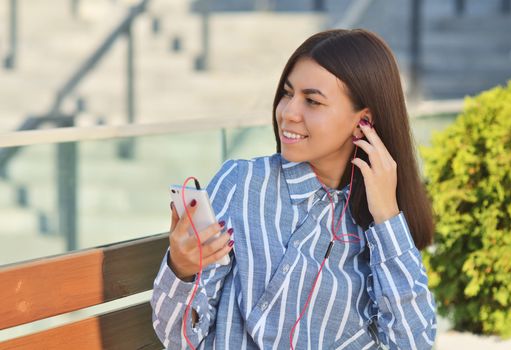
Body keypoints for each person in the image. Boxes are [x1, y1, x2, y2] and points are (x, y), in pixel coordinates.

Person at [151, 28, 437, 349]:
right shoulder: (241, 183)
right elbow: (179, 338)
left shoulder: (374, 219)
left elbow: (413, 343)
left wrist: (387, 216)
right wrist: (182, 272)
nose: (288, 112)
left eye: (312, 101)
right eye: (288, 93)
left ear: (363, 121)